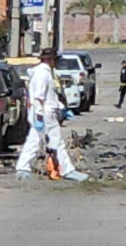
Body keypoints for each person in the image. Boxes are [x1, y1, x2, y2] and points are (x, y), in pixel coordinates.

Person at [16, 48, 89, 182]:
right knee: (56, 142)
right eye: (55, 60)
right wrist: (39, 116)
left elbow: (50, 96)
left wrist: (62, 108)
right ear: (49, 60)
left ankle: (23, 168)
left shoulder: (43, 72)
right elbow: (38, 97)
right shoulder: (42, 73)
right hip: (45, 113)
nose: (56, 63)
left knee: (35, 141)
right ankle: (67, 170)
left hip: (43, 112)